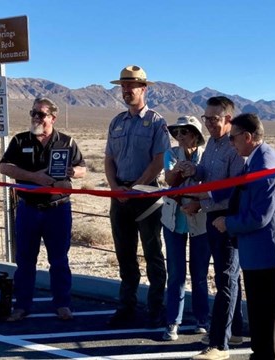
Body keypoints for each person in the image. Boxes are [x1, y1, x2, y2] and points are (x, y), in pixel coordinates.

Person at [213, 113, 275, 360]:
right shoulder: (259, 157)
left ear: (248, 137)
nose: (231, 143)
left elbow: (258, 217)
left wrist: (227, 223)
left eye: (233, 137)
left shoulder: (265, 166)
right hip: (264, 250)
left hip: (265, 252)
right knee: (271, 315)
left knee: (264, 317)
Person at [0, 97, 86, 322]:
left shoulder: (66, 142)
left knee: (59, 259)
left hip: (58, 209)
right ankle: (22, 306)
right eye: (33, 113)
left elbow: (82, 169)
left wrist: (71, 172)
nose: (36, 117)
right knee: (25, 259)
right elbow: (4, 166)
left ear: (53, 118)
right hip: (29, 208)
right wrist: (33, 177)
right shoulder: (20, 141)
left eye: (41, 114)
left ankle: (62, 304)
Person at [104, 65, 170, 329]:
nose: (126, 90)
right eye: (123, 86)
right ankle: (126, 306)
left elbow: (160, 160)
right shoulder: (116, 122)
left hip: (147, 197)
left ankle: (156, 307)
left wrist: (137, 186)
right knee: (125, 254)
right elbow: (109, 158)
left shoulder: (156, 122)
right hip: (119, 196)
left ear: (144, 89)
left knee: (153, 253)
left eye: (131, 86)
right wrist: (114, 186)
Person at [181, 96, 245, 360]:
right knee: (228, 276)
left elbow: (236, 192)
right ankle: (236, 330)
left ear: (228, 119)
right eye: (206, 118)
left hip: (226, 219)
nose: (208, 123)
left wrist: (201, 202)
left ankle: (219, 345)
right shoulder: (213, 145)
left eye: (213, 119)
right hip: (212, 218)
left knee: (226, 279)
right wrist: (193, 170)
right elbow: (208, 173)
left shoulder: (235, 149)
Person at [160, 116, 211, 341]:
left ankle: (202, 318)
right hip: (173, 219)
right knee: (176, 272)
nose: (180, 136)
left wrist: (198, 202)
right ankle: (173, 322)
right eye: (177, 132)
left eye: (185, 132)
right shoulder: (171, 155)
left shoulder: (207, 157)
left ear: (195, 135)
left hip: (199, 219)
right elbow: (169, 181)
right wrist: (179, 172)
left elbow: (211, 185)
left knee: (199, 273)